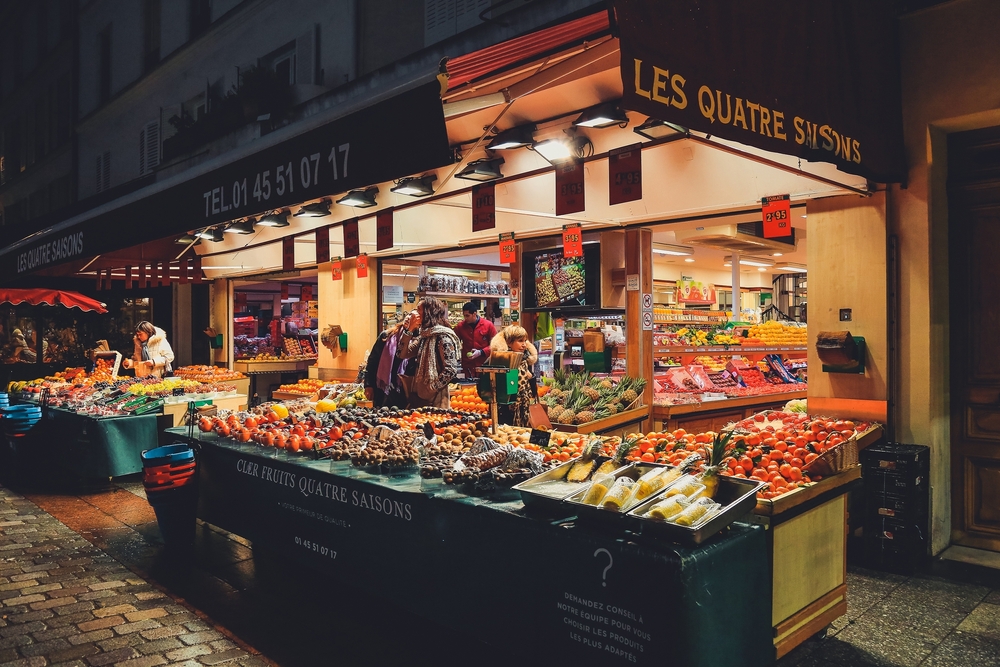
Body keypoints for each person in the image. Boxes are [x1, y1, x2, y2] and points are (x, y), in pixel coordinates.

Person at [398, 298, 460, 408]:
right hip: (419, 397)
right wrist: (409, 331)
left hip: (437, 399)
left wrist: (430, 389)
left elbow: (451, 370)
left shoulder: (443, 337)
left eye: (418, 310)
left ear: (428, 313)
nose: (414, 314)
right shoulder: (424, 336)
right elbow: (401, 354)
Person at [489, 325, 538, 427]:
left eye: (525, 341)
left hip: (523, 409)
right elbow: (490, 387)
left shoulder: (524, 360)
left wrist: (531, 377)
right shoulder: (498, 360)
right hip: (504, 411)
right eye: (520, 341)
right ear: (509, 342)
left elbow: (532, 392)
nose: (524, 345)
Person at [363, 323, 409, 408]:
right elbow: (372, 362)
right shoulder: (386, 336)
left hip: (402, 391)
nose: (409, 318)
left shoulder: (416, 340)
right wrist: (368, 385)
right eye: (409, 315)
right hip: (382, 389)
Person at [455, 302, 496, 379]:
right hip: (468, 366)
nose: (465, 318)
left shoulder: (488, 325)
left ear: (474, 314)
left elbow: (496, 345)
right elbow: (454, 343)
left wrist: (481, 352)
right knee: (468, 389)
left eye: (467, 316)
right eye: (464, 316)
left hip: (484, 365)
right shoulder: (460, 327)